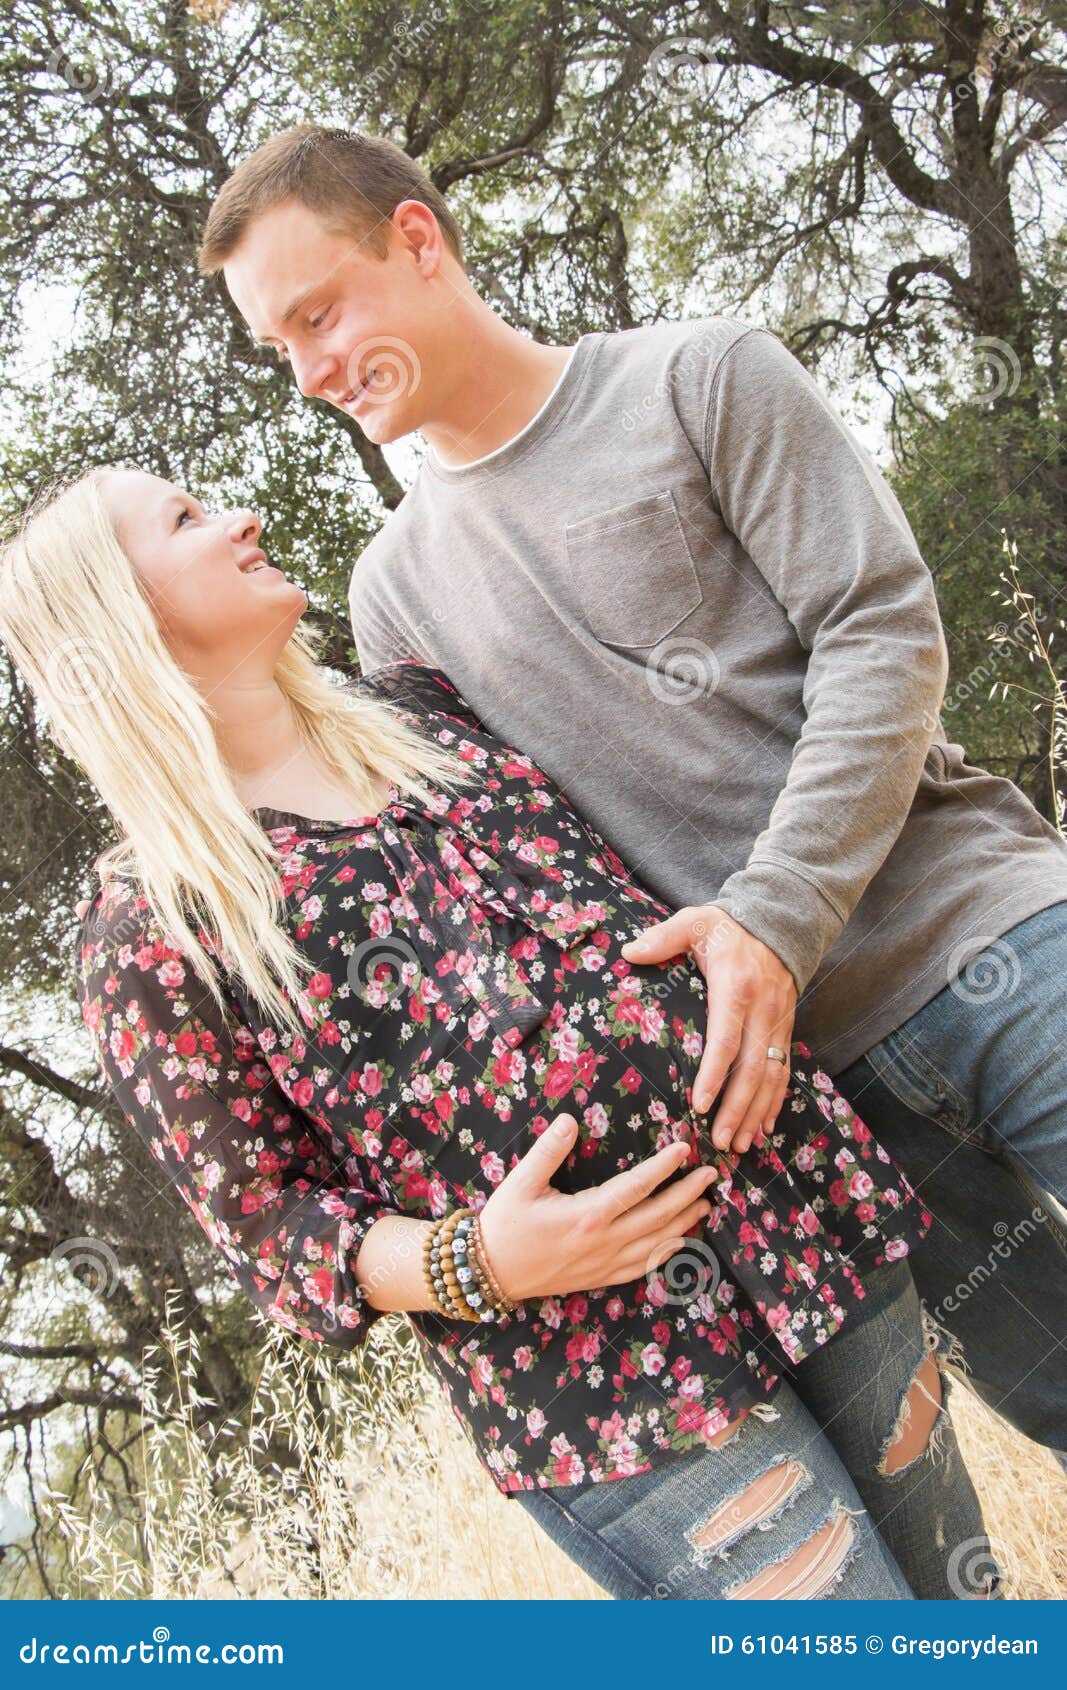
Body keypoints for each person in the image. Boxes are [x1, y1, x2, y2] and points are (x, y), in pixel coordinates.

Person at [198, 121, 1067, 1458]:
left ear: (417, 242)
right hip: (808, 1090)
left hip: (991, 934)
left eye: (318, 314)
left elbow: (880, 630)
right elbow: (495, 880)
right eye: (279, 347)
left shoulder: (699, 379)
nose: (309, 372)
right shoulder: (393, 599)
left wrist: (770, 919)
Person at [0, 466, 998, 1600]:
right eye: (184, 520)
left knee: (965, 1603)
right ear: (116, 618)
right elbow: (267, 1224)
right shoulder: (151, 926)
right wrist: (476, 1260)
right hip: (610, 1378)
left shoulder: (428, 713)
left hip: (788, 1206)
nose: (241, 517)